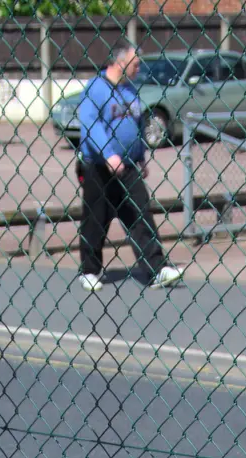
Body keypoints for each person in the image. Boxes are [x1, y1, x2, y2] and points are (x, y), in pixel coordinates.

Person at [77, 41, 184, 292]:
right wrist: (108, 155)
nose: (138, 68)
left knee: (140, 215)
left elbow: (136, 127)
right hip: (98, 167)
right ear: (120, 62)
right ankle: (90, 271)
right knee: (96, 219)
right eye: (135, 63)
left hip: (128, 167)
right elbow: (91, 126)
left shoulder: (130, 91)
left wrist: (140, 156)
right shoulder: (96, 88)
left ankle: (156, 269)